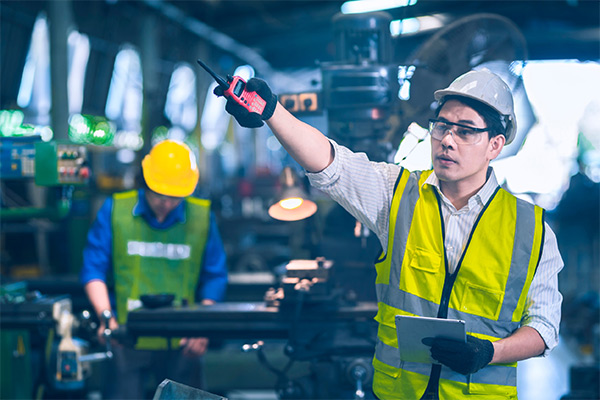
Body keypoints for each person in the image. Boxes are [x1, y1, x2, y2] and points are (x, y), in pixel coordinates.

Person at [216, 69, 563, 399]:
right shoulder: (396, 194)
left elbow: (544, 327)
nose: (447, 140)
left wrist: (490, 351)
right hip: (399, 393)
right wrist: (271, 111)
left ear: (495, 145)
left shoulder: (532, 231)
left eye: (466, 131)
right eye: (441, 126)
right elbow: (331, 163)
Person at [79, 139, 228, 399]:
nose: (166, 203)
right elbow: (93, 269)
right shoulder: (116, 211)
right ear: (145, 182)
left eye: (175, 197)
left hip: (183, 340)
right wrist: (107, 319)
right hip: (125, 337)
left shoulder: (202, 218)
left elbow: (215, 275)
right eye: (159, 194)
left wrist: (202, 326)